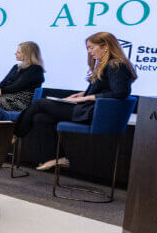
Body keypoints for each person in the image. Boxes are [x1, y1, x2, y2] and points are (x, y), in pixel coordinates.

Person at [14, 32, 136, 170]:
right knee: (41, 117)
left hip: (95, 114)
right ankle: (58, 157)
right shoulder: (107, 64)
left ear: (106, 46)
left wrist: (87, 97)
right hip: (89, 110)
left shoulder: (116, 65)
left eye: (91, 47)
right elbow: (106, 89)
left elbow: (121, 92)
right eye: (88, 49)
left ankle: (15, 134)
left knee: (40, 103)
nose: (89, 52)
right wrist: (81, 94)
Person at [0, 41, 45, 111]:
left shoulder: (35, 69)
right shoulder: (16, 67)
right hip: (7, 96)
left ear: (27, 54)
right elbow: (3, 83)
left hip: (21, 101)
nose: (15, 54)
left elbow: (15, 88)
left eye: (18, 52)